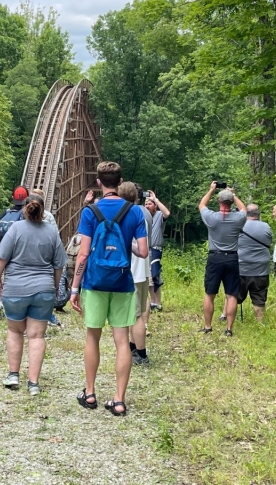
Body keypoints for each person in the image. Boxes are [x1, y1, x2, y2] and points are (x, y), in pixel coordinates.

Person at [69, 162, 148, 417]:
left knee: (93, 336)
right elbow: (143, 251)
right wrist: (127, 249)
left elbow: (83, 255)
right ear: (120, 180)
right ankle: (119, 400)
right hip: (123, 282)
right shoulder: (134, 212)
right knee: (122, 340)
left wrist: (74, 288)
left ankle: (90, 393)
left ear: (99, 182)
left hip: (94, 282)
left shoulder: (90, 211)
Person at [0, 194, 67, 396]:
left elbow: (1, 257)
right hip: (43, 289)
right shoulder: (51, 232)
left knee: (15, 332)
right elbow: (59, 264)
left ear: (24, 209)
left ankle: (14, 374)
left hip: (16, 289)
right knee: (36, 336)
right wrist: (52, 285)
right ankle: (33, 383)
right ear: (43, 211)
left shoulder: (15, 229)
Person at [199, 182, 247, 337]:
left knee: (210, 293)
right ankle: (229, 329)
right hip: (232, 258)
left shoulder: (211, 218)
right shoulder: (238, 218)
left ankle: (208, 326)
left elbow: (202, 204)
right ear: (231, 202)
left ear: (219, 202)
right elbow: (244, 209)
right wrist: (233, 194)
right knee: (231, 294)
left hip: (215, 258)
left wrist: (212, 190)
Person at [120, 182, 151, 366]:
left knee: (135, 315)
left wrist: (125, 244)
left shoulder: (128, 214)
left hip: (132, 270)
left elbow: (137, 246)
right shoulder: (141, 213)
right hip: (141, 270)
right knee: (136, 313)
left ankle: (141, 353)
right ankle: (133, 348)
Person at [30, 188, 64, 327]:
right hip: (44, 256)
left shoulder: (23, 216)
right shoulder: (48, 216)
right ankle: (46, 315)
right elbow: (55, 236)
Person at [0, 186, 28, 320]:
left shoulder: (5, 213)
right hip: (19, 253)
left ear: (13, 198)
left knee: (1, 280)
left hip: (2, 251)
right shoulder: (25, 215)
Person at [236, 204, 273, 323]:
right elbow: (269, 242)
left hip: (241, 268)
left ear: (246, 214)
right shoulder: (266, 227)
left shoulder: (239, 225)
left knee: (233, 296)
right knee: (259, 299)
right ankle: (260, 324)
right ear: (258, 214)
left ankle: (225, 317)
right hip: (261, 270)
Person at [145, 191, 169, 312]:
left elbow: (167, 213)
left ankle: (158, 303)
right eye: (146, 204)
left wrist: (156, 199)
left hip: (155, 249)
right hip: (145, 249)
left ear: (155, 205)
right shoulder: (144, 216)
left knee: (155, 276)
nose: (147, 206)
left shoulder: (159, 215)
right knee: (149, 278)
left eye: (149, 204)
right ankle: (153, 302)